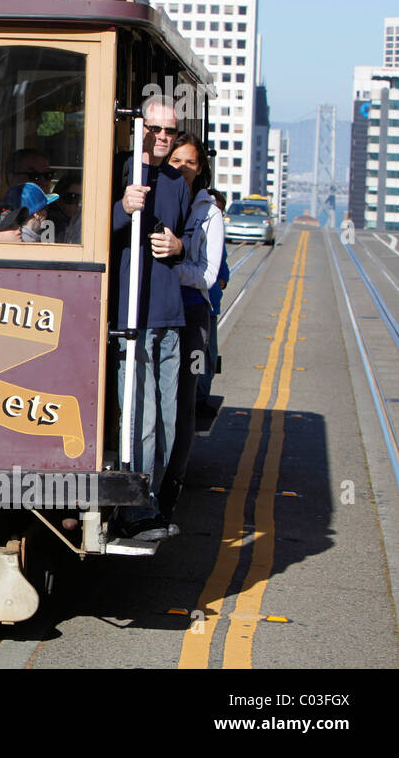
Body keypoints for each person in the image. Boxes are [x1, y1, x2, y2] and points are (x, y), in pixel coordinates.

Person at [111, 96, 190, 541]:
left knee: (166, 419)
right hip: (132, 316)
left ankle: (153, 501)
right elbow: (90, 231)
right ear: (138, 127)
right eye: (155, 129)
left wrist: (178, 248)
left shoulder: (178, 181)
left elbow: (189, 242)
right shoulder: (121, 170)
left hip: (168, 315)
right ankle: (134, 509)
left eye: (170, 132)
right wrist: (124, 207)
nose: (163, 138)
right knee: (138, 417)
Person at [158, 132, 224, 524]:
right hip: (157, 313)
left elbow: (209, 276)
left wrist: (168, 271)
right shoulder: (159, 198)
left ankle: (170, 490)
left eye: (190, 163)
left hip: (192, 320)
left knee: (182, 405)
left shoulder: (208, 212)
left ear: (201, 171)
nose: (182, 168)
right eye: (176, 161)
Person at [196, 189, 229, 417]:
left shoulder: (218, 236)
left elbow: (223, 268)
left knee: (209, 355)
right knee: (198, 357)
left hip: (212, 306)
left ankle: (202, 397)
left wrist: (222, 280)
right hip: (199, 304)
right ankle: (197, 399)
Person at [52, 174, 82, 243]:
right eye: (72, 197)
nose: (77, 204)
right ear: (58, 199)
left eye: (80, 198)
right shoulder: (50, 222)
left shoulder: (80, 219)